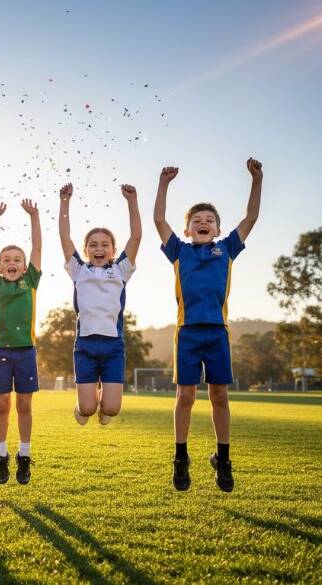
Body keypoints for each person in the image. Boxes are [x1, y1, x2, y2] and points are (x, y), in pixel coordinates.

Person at [153, 158, 263, 492]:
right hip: (187, 333)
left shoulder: (227, 249)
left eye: (210, 221)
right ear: (188, 230)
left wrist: (257, 179)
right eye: (197, 221)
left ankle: (223, 459)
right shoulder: (179, 251)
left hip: (218, 333)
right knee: (185, 395)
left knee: (219, 396)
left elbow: (252, 217)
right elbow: (159, 218)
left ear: (217, 229)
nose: (203, 223)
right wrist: (164, 183)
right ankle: (180, 457)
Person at [58, 183, 141, 425]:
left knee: (112, 410)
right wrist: (65, 201)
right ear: (85, 250)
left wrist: (132, 202)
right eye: (93, 244)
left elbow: (136, 236)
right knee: (87, 408)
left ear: (113, 250)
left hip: (113, 346)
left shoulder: (121, 270)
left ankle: (105, 407)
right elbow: (64, 236)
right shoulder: (78, 270)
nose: (99, 248)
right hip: (85, 345)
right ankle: (84, 408)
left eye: (105, 244)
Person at [0, 199, 41, 485]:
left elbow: (38, 249)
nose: (12, 263)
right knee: (3, 405)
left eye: (17, 259)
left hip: (26, 351)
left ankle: (25, 456)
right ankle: (1, 455)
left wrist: (34, 216)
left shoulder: (30, 280)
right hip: (0, 352)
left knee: (25, 406)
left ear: (25, 265)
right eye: (6, 260)